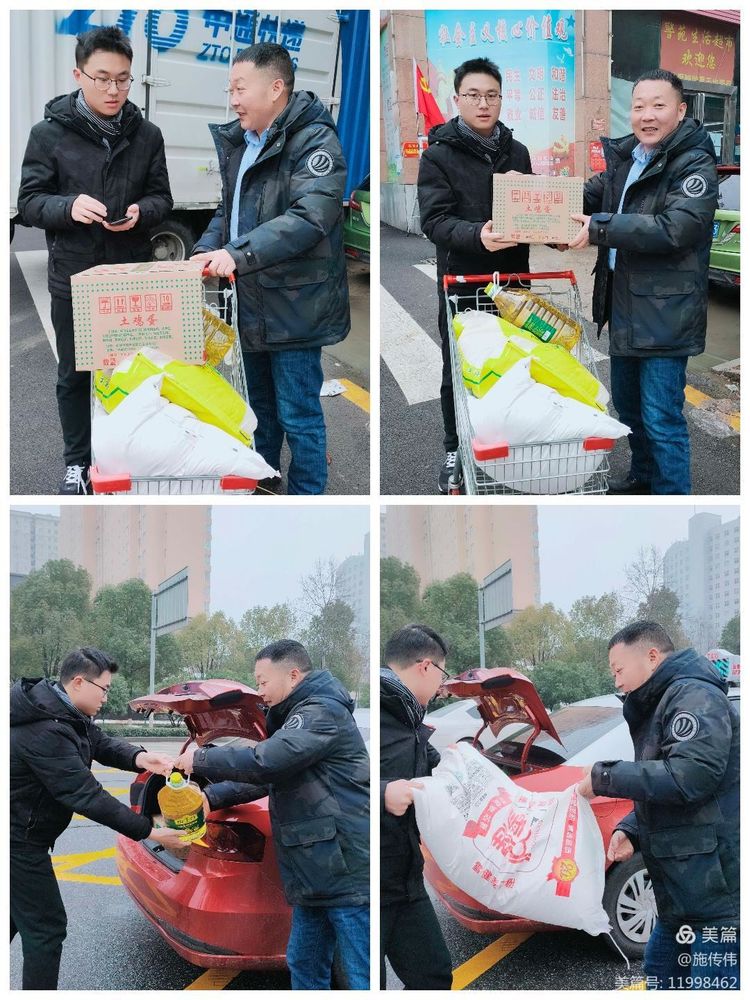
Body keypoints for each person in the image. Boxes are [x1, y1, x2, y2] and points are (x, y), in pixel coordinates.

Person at [16, 26, 173, 496]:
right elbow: (30, 202)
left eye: (123, 79)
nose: (113, 90)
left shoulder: (147, 135)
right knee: (75, 375)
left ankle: (128, 455)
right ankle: (77, 462)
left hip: (130, 275)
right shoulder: (48, 134)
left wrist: (142, 212)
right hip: (75, 277)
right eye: (102, 78)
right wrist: (68, 207)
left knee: (134, 373)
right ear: (78, 75)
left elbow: (162, 197)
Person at [190, 43, 350, 495]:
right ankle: (264, 483)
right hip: (250, 302)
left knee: (298, 415)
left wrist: (237, 254)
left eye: (240, 89)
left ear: (276, 88)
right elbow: (229, 211)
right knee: (258, 410)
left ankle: (306, 497)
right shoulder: (244, 143)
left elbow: (311, 217)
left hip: (295, 306)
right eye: (231, 90)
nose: (233, 101)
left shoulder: (314, 141)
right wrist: (206, 248)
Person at [174, 640, 369, 989]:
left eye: (263, 682)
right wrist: (211, 797)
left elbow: (267, 761)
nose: (259, 691)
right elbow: (274, 775)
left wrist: (200, 758)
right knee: (304, 963)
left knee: (360, 976)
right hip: (314, 870)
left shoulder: (321, 711)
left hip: (344, 870)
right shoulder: (297, 716)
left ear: (293, 675)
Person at [567, 70, 718, 496]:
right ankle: (643, 477)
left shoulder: (693, 163)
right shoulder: (628, 158)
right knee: (630, 410)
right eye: (638, 106)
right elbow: (585, 197)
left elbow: (678, 227)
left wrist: (600, 228)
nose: (646, 115)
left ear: (681, 110)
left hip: (667, 314)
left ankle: (671, 500)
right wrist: (534, 201)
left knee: (662, 420)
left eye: (658, 105)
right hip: (625, 305)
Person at [576, 621, 739, 990]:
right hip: (680, 893)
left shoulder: (694, 697)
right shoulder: (662, 702)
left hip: (717, 897)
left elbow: (691, 776)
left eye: (619, 669)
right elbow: (667, 788)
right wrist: (631, 829)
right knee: (662, 974)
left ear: (651, 656)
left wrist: (604, 777)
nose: (616, 680)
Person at [10, 647, 182, 990]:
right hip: (17, 843)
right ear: (78, 682)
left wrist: (141, 758)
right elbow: (86, 796)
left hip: (23, 835)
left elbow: (100, 743)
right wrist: (149, 830)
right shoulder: (45, 730)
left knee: (15, 915)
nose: (106, 696)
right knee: (46, 929)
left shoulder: (61, 711)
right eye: (103, 688)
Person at [417, 57, 533, 493]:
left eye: (491, 95)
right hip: (463, 283)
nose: (483, 104)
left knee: (514, 362)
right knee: (459, 367)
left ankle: (506, 438)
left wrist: (554, 232)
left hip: (514, 282)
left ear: (501, 99)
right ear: (457, 99)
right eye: (474, 95)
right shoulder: (438, 155)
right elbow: (434, 221)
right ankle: (455, 446)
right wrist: (477, 235)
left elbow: (530, 208)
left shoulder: (517, 152)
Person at [380, 624, 453, 989]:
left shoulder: (408, 716)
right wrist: (381, 794)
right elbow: (328, 781)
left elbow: (431, 765)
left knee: (433, 976)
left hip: (404, 877)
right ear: (426, 666)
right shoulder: (373, 711)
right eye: (443, 674)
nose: (442, 687)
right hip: (365, 884)